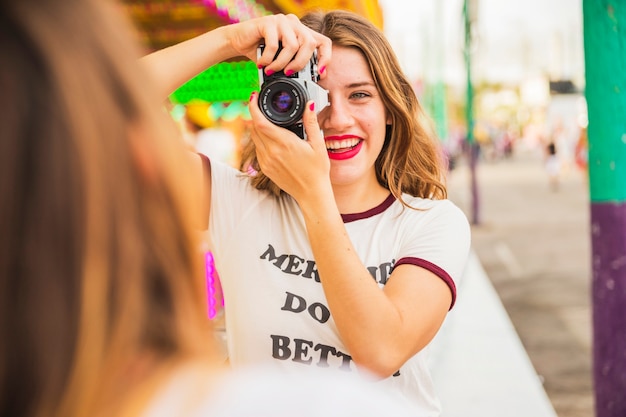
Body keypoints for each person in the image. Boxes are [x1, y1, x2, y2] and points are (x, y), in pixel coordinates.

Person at [144, 9, 471, 416]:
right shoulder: (234, 201)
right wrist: (229, 41)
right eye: (313, 95)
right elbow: (93, 117)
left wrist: (315, 195)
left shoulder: (431, 222)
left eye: (360, 94)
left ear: (390, 107)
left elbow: (381, 350)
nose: (336, 118)